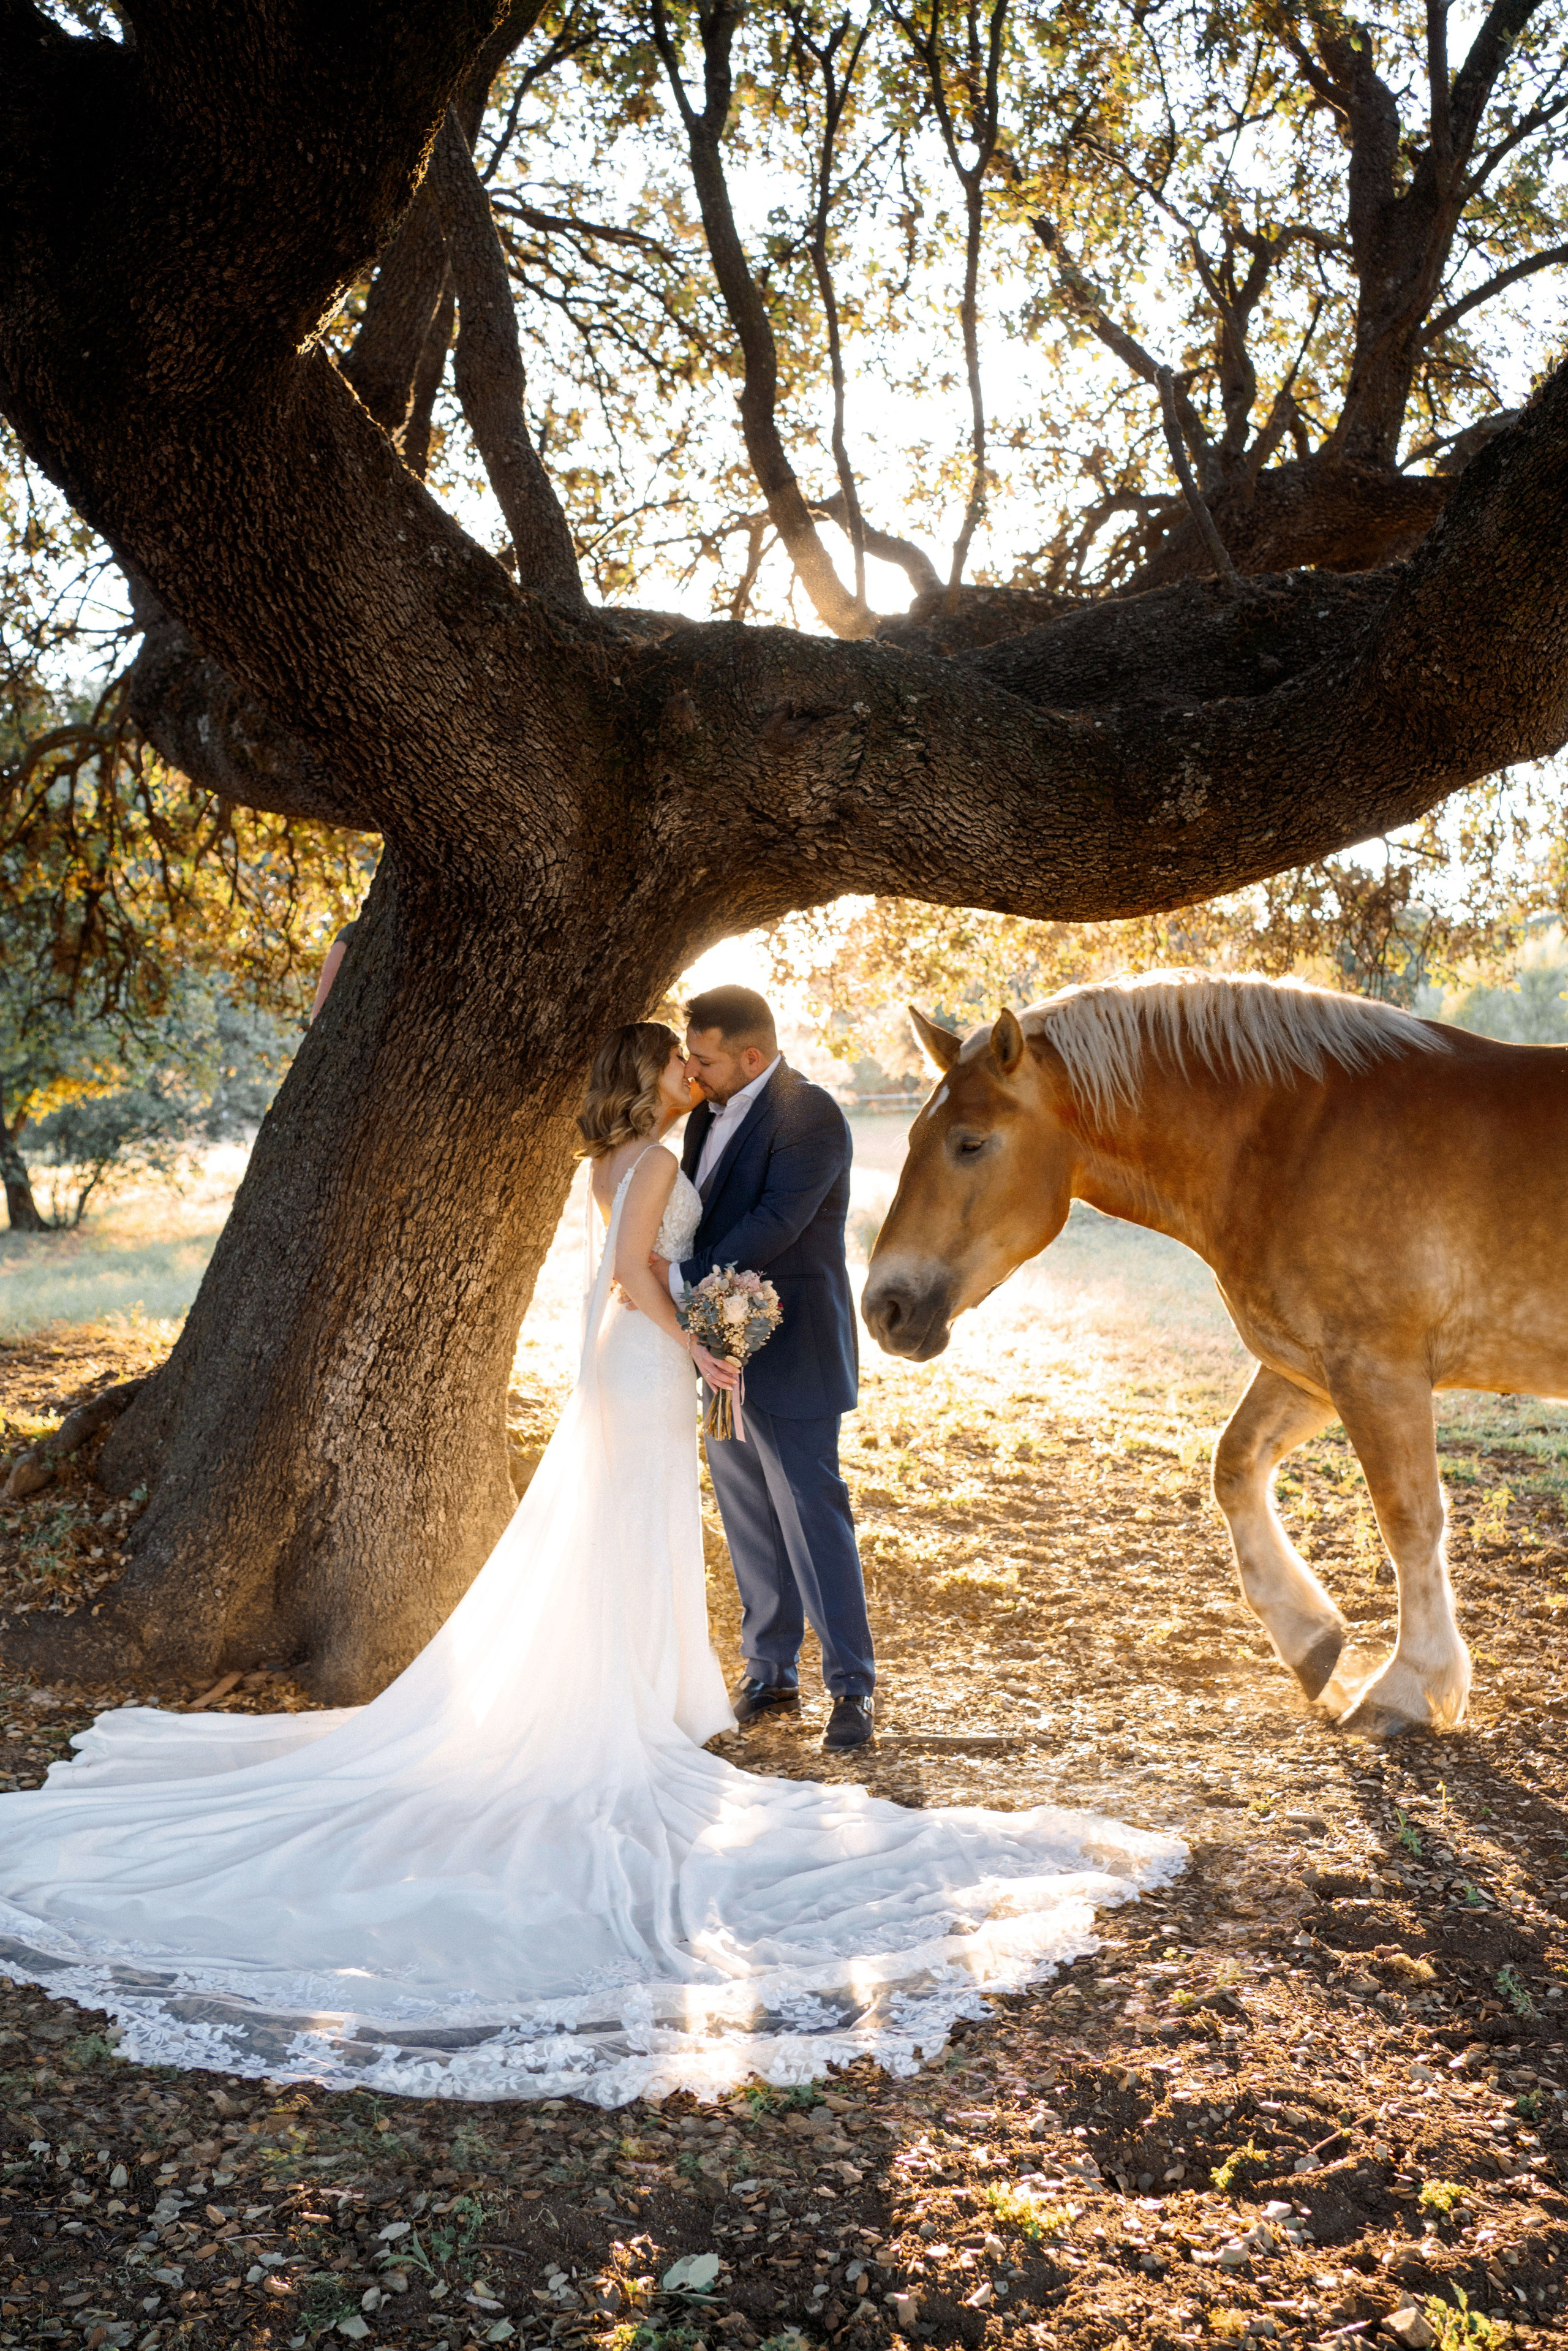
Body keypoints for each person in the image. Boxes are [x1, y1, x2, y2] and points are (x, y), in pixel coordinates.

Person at [0, 1021, 1182, 2105]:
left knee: (635, 1528)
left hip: (630, 1363)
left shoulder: (613, 1162)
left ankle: (652, 1690)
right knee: (638, 1525)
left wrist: (691, 1331)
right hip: (651, 1357)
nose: (695, 1074)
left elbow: (634, 1272)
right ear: (655, 1078)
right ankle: (632, 1705)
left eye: (702, 1060)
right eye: (681, 1062)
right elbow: (637, 1280)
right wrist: (707, 1351)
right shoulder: (659, 1167)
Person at [659, 986, 873, 1751]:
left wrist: (678, 1284)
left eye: (705, 1057)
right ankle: (770, 1669)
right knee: (748, 1515)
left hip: (794, 1348)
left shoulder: (810, 1114)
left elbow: (776, 1222)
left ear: (751, 1057)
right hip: (720, 1348)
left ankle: (852, 1688)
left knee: (814, 1519)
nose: (692, 1069)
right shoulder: (702, 1117)